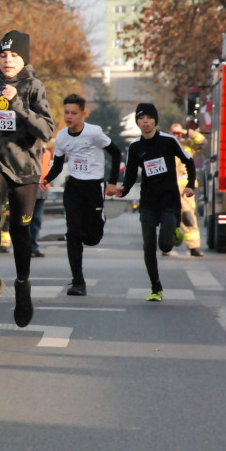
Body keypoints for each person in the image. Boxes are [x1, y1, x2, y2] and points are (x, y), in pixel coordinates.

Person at [0, 30, 54, 327]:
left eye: (14, 55)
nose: (8, 60)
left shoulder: (33, 86)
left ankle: (23, 286)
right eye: (3, 55)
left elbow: (47, 130)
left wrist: (17, 104)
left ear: (23, 58)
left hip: (26, 167)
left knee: (19, 230)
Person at [111, 102, 195, 301]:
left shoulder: (168, 141)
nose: (145, 122)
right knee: (148, 245)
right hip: (148, 202)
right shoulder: (136, 147)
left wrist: (190, 184)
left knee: (165, 246)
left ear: (155, 120)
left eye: (149, 118)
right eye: (141, 118)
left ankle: (174, 229)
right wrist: (123, 191)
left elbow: (188, 161)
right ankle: (155, 286)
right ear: (138, 122)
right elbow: (131, 176)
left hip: (168, 200)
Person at [42, 93, 121, 296]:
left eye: (74, 113)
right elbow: (58, 165)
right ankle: (78, 281)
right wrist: (45, 180)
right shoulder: (61, 136)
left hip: (94, 188)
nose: (69, 117)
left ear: (83, 114)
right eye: (66, 113)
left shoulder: (94, 133)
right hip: (74, 188)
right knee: (73, 232)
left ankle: (99, 218)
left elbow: (116, 152)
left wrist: (112, 183)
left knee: (92, 239)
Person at [165, 121, 205, 257]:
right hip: (168, 188)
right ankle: (167, 245)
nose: (176, 135)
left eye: (178, 133)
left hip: (185, 190)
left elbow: (201, 140)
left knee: (188, 217)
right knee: (168, 217)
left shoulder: (187, 146)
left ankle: (194, 247)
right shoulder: (165, 147)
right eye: (173, 132)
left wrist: (186, 132)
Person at [29, 140, 54, 258]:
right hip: (31, 187)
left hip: (43, 189)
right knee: (26, 219)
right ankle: (26, 247)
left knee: (37, 220)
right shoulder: (29, 150)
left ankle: (34, 247)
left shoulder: (47, 153)